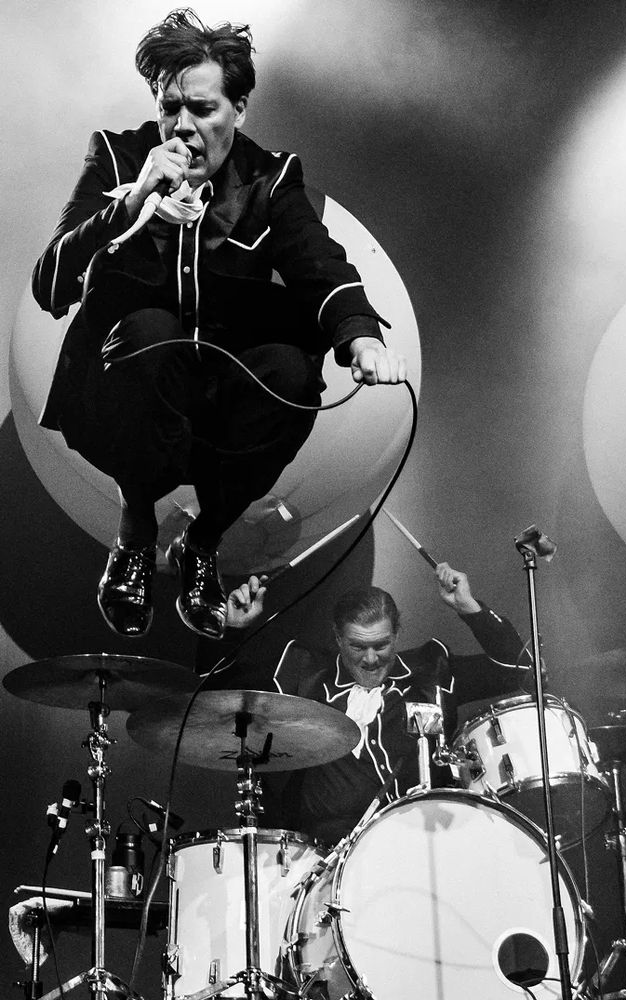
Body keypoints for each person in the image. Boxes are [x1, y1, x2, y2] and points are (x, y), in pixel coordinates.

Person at [31, 9, 404, 642]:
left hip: (219, 400)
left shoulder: (270, 176)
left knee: (290, 369)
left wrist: (360, 333)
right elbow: (50, 285)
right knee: (149, 328)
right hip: (131, 387)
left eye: (202, 109)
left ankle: (201, 544)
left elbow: (317, 260)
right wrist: (131, 202)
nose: (182, 128)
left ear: (239, 108)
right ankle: (137, 528)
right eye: (168, 107)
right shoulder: (118, 157)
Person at [223, 562, 535, 844]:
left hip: (426, 846)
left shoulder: (433, 669)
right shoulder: (302, 672)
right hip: (326, 857)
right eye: (358, 646)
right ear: (338, 638)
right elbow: (220, 698)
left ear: (397, 634)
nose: (371, 659)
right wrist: (233, 633)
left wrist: (469, 608)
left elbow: (522, 671)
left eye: (381, 645)